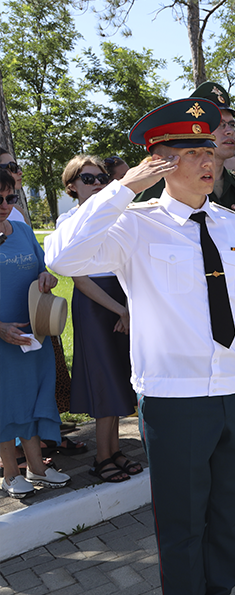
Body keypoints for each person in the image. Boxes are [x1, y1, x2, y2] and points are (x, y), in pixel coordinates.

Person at [45, 99, 235, 595]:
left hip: (232, 391)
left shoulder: (234, 225)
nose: (207, 160)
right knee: (181, 517)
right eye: (190, 152)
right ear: (159, 162)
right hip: (174, 399)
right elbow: (61, 254)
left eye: (207, 149)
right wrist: (124, 189)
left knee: (225, 512)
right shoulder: (133, 226)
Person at [137, 80, 235, 544]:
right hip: (177, 380)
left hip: (233, 369)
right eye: (208, 132)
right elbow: (68, 257)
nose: (223, 137)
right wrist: (125, 187)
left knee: (226, 489)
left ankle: (229, 550)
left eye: (223, 129)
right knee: (185, 506)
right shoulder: (147, 216)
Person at [59, 155, 140, 483]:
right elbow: (79, 278)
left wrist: (130, 309)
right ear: (72, 186)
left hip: (123, 300)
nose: (97, 184)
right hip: (96, 305)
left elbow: (134, 263)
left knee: (121, 375)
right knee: (104, 378)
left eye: (102, 178)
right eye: (88, 179)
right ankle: (101, 457)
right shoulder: (69, 222)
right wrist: (120, 311)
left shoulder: (117, 217)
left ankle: (115, 450)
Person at [1, 169, 70, 499]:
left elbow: (43, 269)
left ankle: (37, 469)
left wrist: (47, 278)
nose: (4, 204)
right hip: (2, 339)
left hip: (34, 334)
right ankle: (10, 474)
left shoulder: (25, 231)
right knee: (6, 403)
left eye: (9, 197)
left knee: (34, 397)